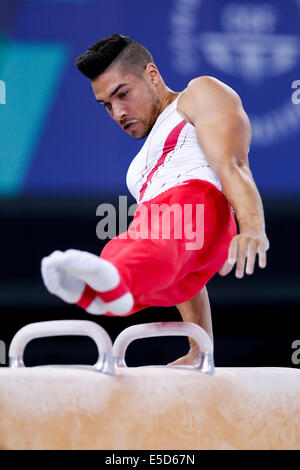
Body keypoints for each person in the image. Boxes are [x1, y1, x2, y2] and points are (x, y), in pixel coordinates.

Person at [41, 33, 269, 366]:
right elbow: (180, 265)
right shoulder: (139, 168)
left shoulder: (198, 95)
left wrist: (252, 226)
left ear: (152, 74)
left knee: (154, 240)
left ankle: (111, 285)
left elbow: (232, 163)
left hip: (200, 206)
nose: (118, 112)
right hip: (174, 237)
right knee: (133, 248)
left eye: (123, 94)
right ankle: (109, 292)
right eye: (107, 104)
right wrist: (199, 346)